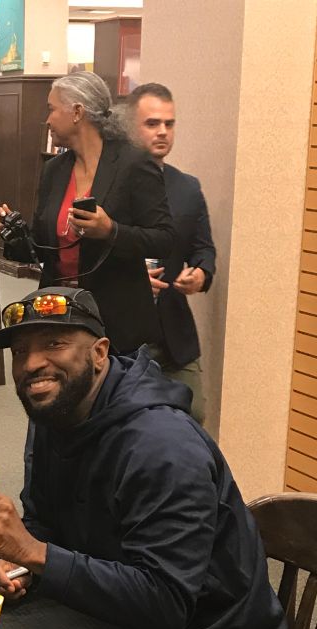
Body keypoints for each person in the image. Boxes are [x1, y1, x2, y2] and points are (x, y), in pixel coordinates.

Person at [0, 287, 287, 629]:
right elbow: (46, 521)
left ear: (100, 352)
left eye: (55, 343)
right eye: (20, 351)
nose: (32, 364)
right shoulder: (55, 413)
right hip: (118, 628)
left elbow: (167, 604)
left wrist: (35, 554)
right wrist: (18, 565)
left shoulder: (163, 448)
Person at [0, 71, 175, 355]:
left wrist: (111, 230)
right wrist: (13, 235)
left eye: (52, 109)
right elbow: (42, 249)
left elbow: (164, 238)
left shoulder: (133, 165)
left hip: (115, 320)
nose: (48, 119)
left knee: (111, 398)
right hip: (59, 313)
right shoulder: (55, 170)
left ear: (77, 112)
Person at [125, 82, 216, 425]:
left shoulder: (187, 187)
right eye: (152, 124)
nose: (162, 131)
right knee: (132, 427)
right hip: (123, 335)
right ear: (130, 127)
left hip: (175, 333)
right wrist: (131, 281)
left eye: (169, 123)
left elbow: (203, 248)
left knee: (194, 418)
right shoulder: (111, 185)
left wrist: (201, 274)